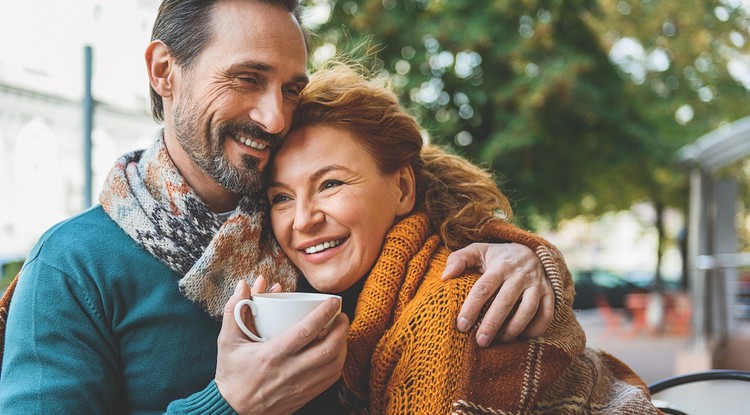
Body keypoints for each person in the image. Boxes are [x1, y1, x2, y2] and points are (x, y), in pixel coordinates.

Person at [0, 1, 557, 414]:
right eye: (247, 79)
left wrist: (520, 254)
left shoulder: (316, 238)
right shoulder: (73, 266)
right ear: (164, 71)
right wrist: (227, 404)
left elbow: (425, 203)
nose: (275, 117)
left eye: (291, 89)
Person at [256, 63, 661, 414]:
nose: (303, 221)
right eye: (281, 197)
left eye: (330, 183)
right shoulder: (328, 292)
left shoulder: (449, 310)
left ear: (402, 188)